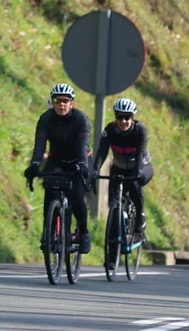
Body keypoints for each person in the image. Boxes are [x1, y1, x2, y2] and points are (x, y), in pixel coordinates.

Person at [23, 83, 93, 254]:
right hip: (56, 160)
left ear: (71, 103)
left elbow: (83, 146)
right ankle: (48, 231)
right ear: (52, 102)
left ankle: (84, 233)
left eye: (65, 101)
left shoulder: (81, 119)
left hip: (80, 160)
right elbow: (40, 146)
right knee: (50, 193)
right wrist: (35, 164)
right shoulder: (45, 119)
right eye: (57, 101)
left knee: (77, 197)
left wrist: (82, 165)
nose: (61, 104)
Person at [92, 97, 152, 239]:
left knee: (134, 185)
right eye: (120, 117)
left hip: (141, 166)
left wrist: (138, 172)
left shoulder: (140, 130)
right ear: (115, 116)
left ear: (132, 117)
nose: (123, 121)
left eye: (127, 117)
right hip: (119, 167)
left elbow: (140, 153)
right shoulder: (110, 130)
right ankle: (117, 224)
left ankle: (140, 216)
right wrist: (95, 170)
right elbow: (102, 152)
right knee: (114, 199)